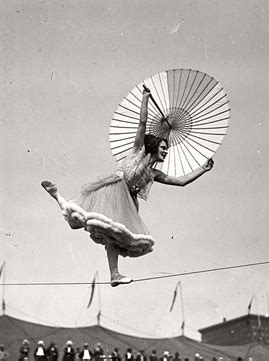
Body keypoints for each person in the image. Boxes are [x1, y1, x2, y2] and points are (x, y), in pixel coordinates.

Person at [42, 87, 214, 287]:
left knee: (112, 234)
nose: (166, 152)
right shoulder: (137, 152)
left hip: (128, 202)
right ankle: (58, 197)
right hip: (114, 189)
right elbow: (142, 123)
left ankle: (114, 275)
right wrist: (145, 99)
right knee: (80, 221)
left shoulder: (153, 173)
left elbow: (181, 182)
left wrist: (203, 169)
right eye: (164, 148)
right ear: (154, 146)